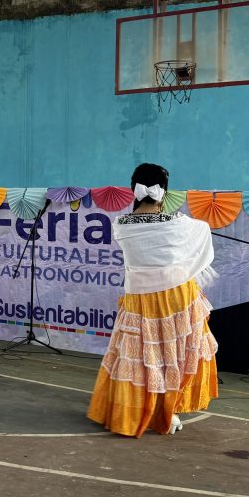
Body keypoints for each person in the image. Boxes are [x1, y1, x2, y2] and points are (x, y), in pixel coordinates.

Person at [87, 163, 219, 437]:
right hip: (176, 298)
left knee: (145, 358)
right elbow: (202, 233)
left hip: (140, 299)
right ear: (164, 192)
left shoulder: (120, 226)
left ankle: (139, 411)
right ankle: (167, 413)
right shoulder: (179, 224)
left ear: (133, 189)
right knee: (171, 357)